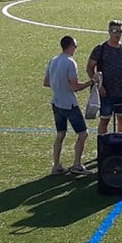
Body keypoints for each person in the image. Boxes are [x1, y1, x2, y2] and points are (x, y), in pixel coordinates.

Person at [44, 35, 94, 176]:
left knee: (60, 134)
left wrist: (59, 85)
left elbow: (47, 82)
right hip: (69, 104)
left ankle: (57, 165)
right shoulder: (70, 63)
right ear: (71, 46)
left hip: (56, 102)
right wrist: (92, 81)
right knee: (83, 134)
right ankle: (77, 165)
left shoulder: (53, 60)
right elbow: (76, 87)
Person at [87, 20, 122, 134]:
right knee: (105, 120)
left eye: (120, 31)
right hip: (106, 92)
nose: (117, 34)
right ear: (109, 32)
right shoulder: (100, 48)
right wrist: (98, 85)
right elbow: (89, 68)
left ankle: (121, 147)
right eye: (114, 31)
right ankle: (103, 147)